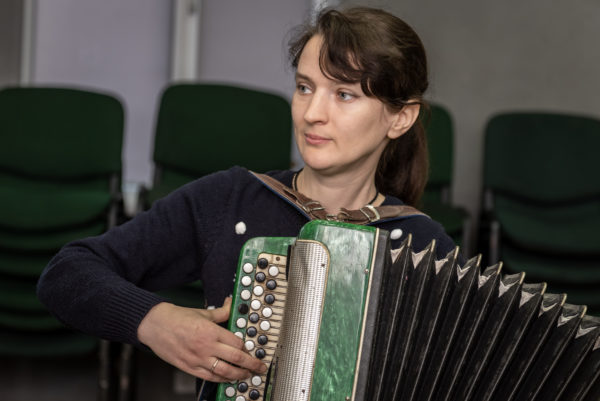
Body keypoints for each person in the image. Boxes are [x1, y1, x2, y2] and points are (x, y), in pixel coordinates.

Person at [37, 5, 457, 400]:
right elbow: (67, 273)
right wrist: (154, 321)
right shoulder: (231, 198)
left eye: (344, 94)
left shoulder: (423, 245)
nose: (312, 112)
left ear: (400, 118)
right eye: (305, 87)